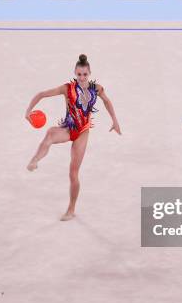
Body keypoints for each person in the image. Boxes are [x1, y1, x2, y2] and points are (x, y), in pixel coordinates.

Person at [25, 54, 121, 220]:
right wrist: (28, 112)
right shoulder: (67, 88)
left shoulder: (96, 88)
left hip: (82, 132)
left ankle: (71, 209)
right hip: (68, 128)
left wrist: (115, 120)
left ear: (89, 73)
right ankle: (34, 160)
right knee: (49, 134)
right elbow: (41, 94)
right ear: (75, 74)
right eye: (79, 74)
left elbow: (107, 101)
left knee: (73, 173)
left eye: (85, 74)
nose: (82, 77)